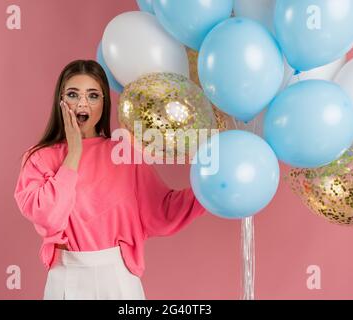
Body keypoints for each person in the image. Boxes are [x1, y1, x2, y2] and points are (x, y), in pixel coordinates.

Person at [13, 60, 207, 300]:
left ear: (104, 103)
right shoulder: (39, 158)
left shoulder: (124, 152)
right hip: (66, 276)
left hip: (117, 277)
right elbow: (48, 216)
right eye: (73, 94)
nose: (83, 103)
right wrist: (73, 153)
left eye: (93, 95)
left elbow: (161, 210)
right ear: (61, 101)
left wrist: (209, 188)